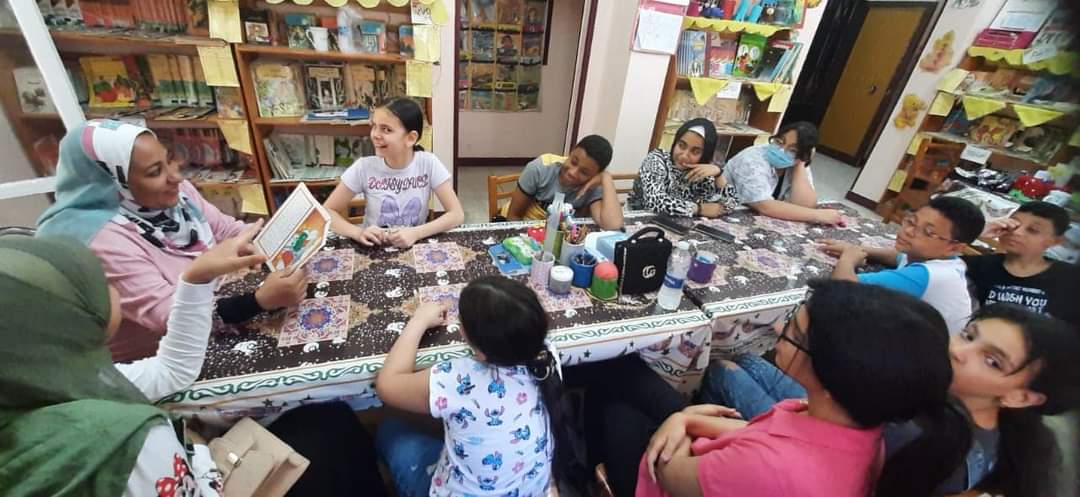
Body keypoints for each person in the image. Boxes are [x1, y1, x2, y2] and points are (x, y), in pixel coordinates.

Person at [0, 233, 388, 497]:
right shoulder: (120, 437)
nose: (111, 286)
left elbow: (172, 371)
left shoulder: (44, 382)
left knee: (326, 418)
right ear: (64, 321)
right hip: (204, 478)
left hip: (189, 465)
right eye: (95, 284)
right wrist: (204, 451)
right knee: (332, 433)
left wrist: (196, 278)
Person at [701, 303, 1080, 495]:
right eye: (968, 335)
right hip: (835, 431)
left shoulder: (920, 440)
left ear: (1021, 396)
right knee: (749, 360)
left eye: (992, 361)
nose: (957, 351)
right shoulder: (995, 428)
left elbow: (807, 462)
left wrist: (694, 423)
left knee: (724, 371)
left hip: (811, 451)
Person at [634, 280, 967, 497]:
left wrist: (677, 422)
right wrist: (687, 419)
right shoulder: (858, 426)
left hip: (670, 476)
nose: (779, 327)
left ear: (833, 376)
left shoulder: (773, 468)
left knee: (621, 407)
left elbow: (668, 473)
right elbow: (758, 432)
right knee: (637, 381)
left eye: (793, 331)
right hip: (719, 460)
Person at [35, 119, 307, 362]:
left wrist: (278, 237)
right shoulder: (99, 240)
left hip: (212, 315)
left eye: (168, 160)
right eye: (155, 172)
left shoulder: (175, 196)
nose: (176, 177)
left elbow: (228, 230)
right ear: (113, 183)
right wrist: (259, 301)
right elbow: (170, 318)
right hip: (157, 359)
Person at [374, 276, 584, 497]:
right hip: (530, 490)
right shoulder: (547, 357)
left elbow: (387, 385)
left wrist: (418, 321)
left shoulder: (458, 378)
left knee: (389, 430)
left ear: (480, 350)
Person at [821, 195, 985, 334]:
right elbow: (898, 257)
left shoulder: (927, 275)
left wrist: (848, 259)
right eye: (911, 222)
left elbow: (842, 289)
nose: (908, 231)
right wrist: (859, 250)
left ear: (955, 248)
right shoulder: (946, 259)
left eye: (927, 232)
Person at [325, 98, 464, 248]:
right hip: (374, 247)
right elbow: (326, 211)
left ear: (411, 138)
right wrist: (358, 232)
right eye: (374, 126)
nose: (375, 135)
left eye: (386, 129)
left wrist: (416, 233)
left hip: (413, 247)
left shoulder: (428, 163)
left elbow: (456, 214)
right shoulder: (364, 167)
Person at [963, 201, 1080, 331]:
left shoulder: (1071, 279)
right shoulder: (978, 265)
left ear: (1056, 241)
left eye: (1033, 230)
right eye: (1013, 224)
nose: (1017, 232)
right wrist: (978, 232)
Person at [722, 121, 843, 225]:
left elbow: (805, 205)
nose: (781, 150)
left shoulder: (796, 161)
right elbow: (765, 206)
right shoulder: (751, 160)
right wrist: (818, 215)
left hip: (754, 217)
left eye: (793, 150)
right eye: (779, 142)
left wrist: (800, 165)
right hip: (725, 211)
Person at [506, 135, 624, 230]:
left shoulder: (595, 185)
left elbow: (613, 225)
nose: (572, 173)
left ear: (595, 174)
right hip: (528, 230)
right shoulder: (540, 168)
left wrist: (606, 177)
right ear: (571, 152)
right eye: (573, 162)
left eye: (584, 172)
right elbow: (513, 216)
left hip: (565, 238)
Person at [627, 118, 739, 218]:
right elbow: (656, 202)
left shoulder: (703, 171)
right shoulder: (656, 159)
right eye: (681, 145)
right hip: (641, 222)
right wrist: (699, 209)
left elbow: (729, 205)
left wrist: (718, 174)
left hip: (682, 225)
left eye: (695, 151)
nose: (684, 155)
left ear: (705, 155)